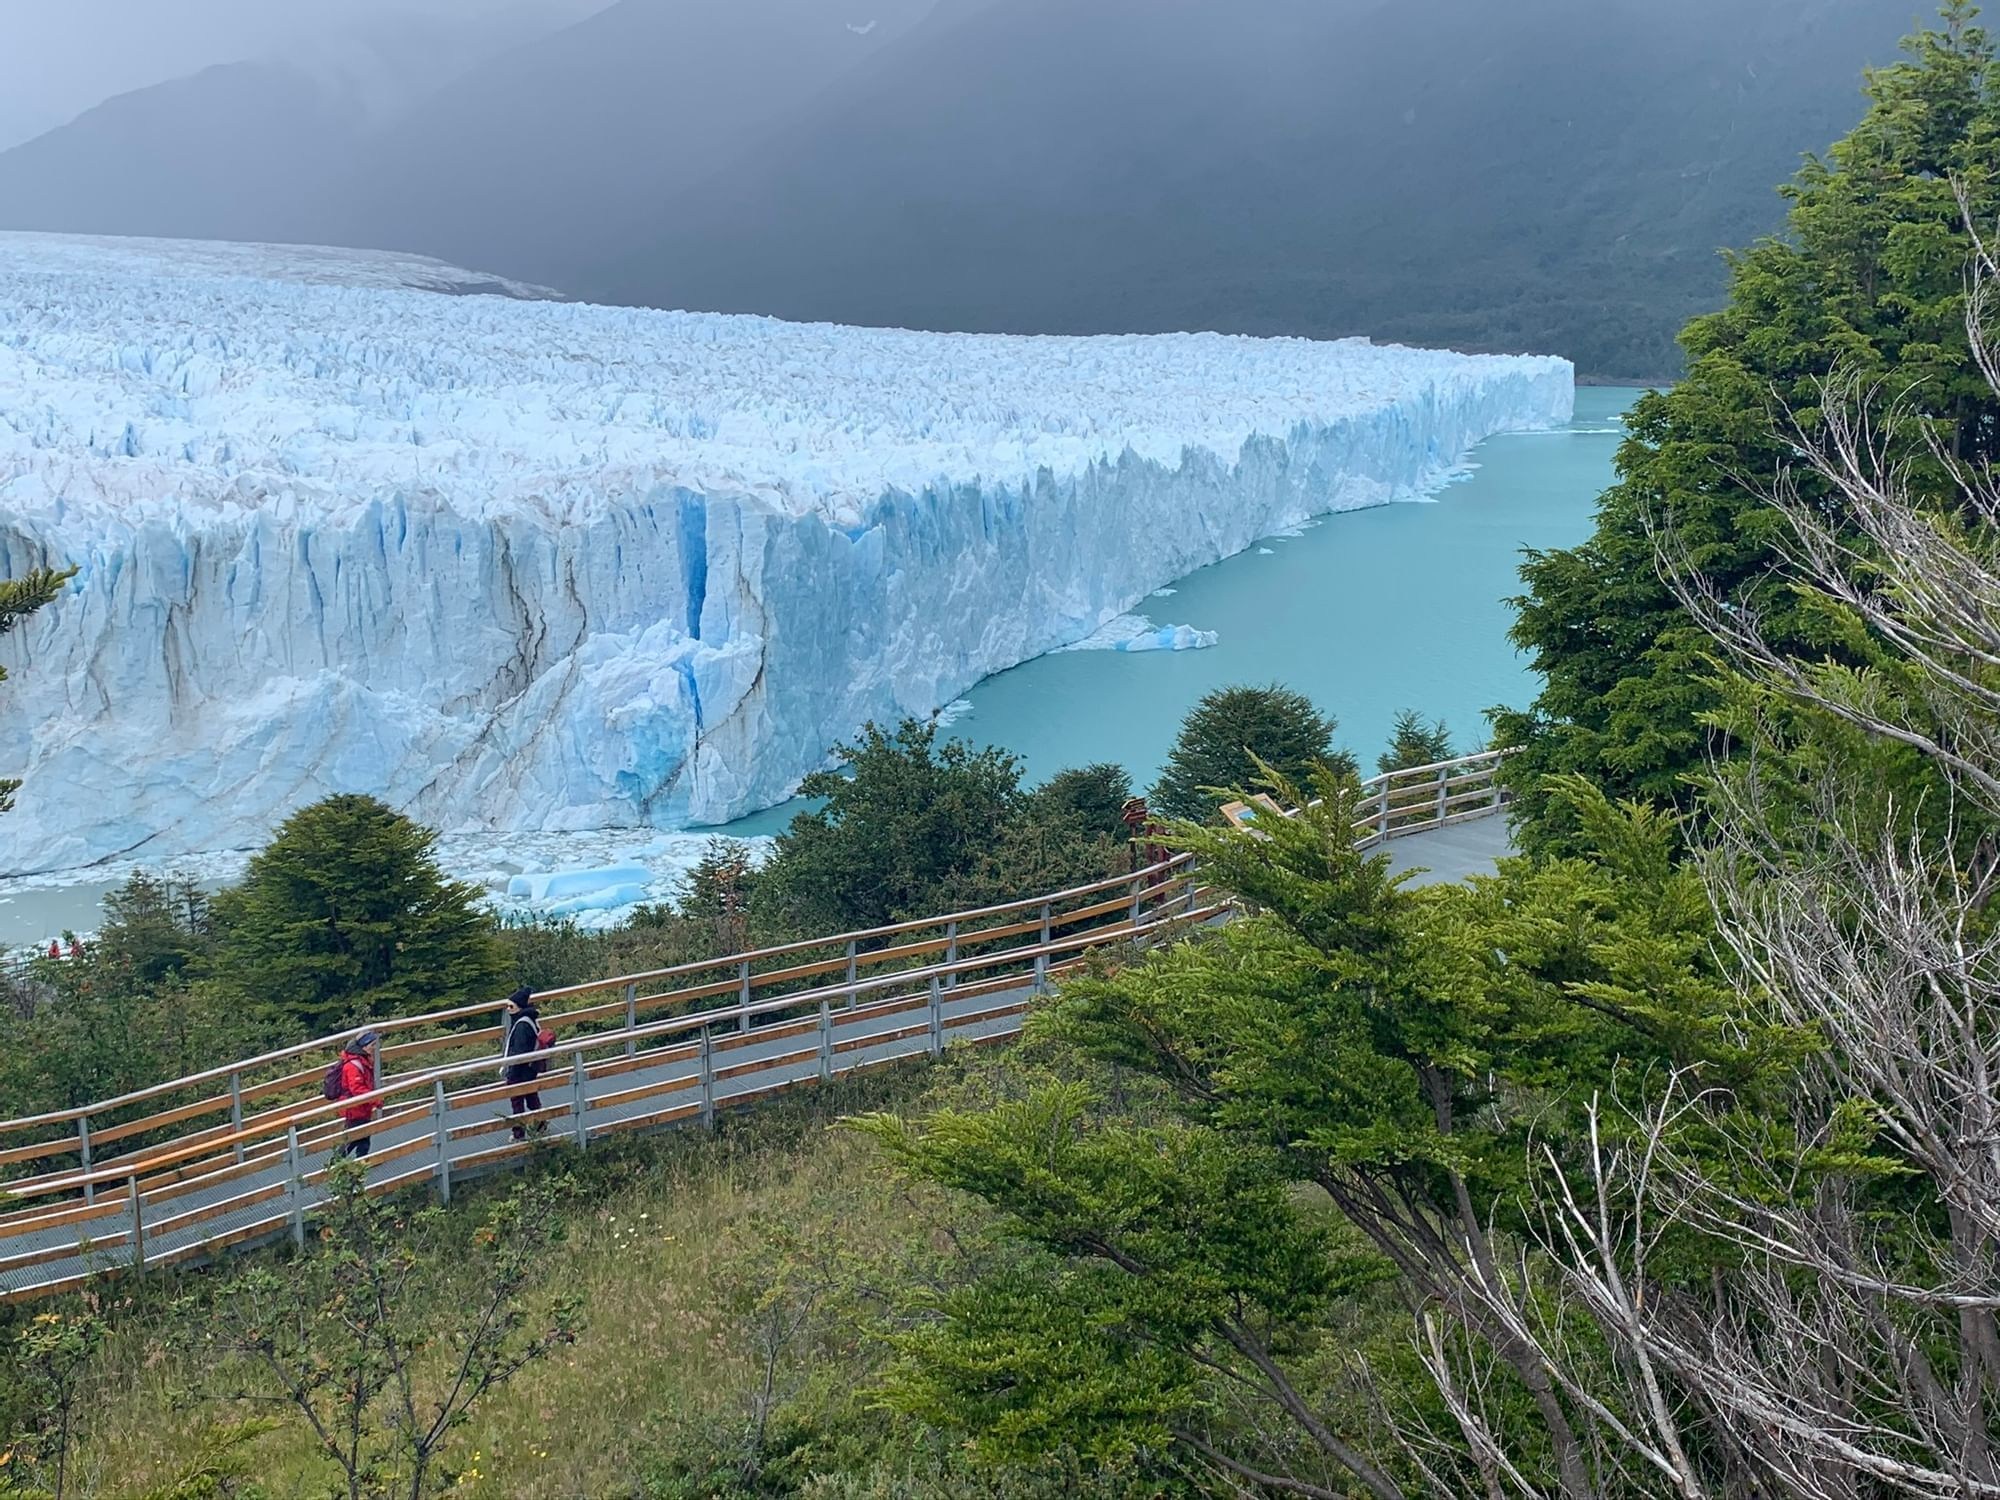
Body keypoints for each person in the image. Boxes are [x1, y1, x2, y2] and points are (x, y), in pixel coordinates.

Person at [503, 986, 544, 1141]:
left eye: (511, 1006)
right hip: (530, 1068)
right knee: (531, 1097)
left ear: (518, 1007)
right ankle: (540, 1125)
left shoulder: (521, 1026)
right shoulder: (530, 1019)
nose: (508, 1009)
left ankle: (518, 1134)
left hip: (520, 1070)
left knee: (517, 1102)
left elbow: (519, 1052)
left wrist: (511, 1073)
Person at [334, 1030, 380, 1159]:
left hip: (361, 1107)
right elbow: (357, 1089)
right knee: (353, 1138)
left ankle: (361, 1161)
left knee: (364, 1136)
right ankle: (336, 1163)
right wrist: (375, 1100)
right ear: (364, 1046)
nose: (374, 1048)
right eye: (372, 1045)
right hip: (354, 1108)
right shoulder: (354, 1065)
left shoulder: (361, 1060)